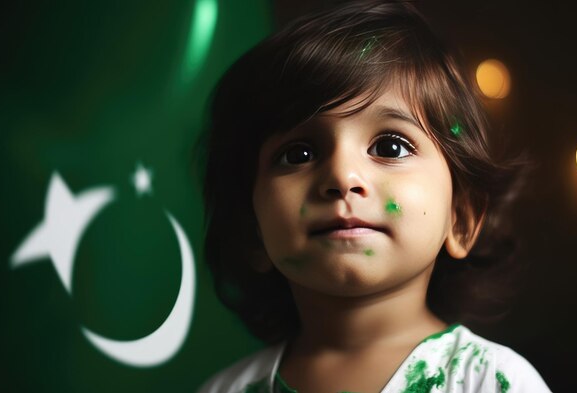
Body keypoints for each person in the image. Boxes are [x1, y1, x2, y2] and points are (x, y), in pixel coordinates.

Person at [197, 0, 551, 392]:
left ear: (460, 218)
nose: (342, 176)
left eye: (390, 147)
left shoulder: (492, 381)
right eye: (299, 154)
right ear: (252, 230)